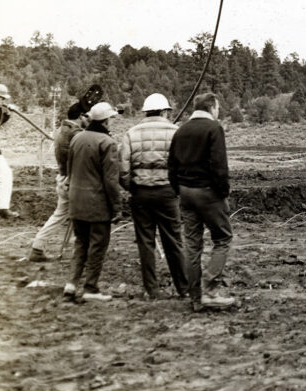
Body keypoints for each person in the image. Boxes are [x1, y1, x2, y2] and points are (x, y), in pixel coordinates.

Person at [168, 91, 235, 311]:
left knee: (192, 246)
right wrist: (223, 193)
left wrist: (179, 190)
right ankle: (209, 289)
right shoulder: (214, 129)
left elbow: (172, 166)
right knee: (223, 239)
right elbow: (219, 166)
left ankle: (195, 297)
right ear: (212, 107)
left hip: (185, 193)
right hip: (208, 193)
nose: (218, 112)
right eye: (218, 108)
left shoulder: (181, 130)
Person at [120, 93, 188, 300]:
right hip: (167, 194)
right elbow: (182, 166)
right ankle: (183, 288)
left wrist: (132, 187)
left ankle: (151, 290)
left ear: (146, 111)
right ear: (165, 111)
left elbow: (123, 169)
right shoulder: (176, 132)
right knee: (174, 241)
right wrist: (176, 190)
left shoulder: (131, 133)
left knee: (145, 242)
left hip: (140, 194)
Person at [64, 101, 122, 303]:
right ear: (106, 121)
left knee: (81, 244)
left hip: (75, 201)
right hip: (97, 205)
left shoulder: (77, 138)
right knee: (97, 246)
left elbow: (69, 170)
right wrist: (117, 207)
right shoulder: (108, 143)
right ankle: (90, 287)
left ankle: (71, 285)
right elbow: (111, 180)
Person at [29, 102, 90, 260]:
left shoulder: (62, 130)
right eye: (87, 116)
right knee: (85, 215)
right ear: (81, 116)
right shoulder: (75, 134)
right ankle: (82, 250)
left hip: (63, 178)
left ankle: (37, 247)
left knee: (60, 214)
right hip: (72, 180)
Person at [0, 82, 17, 220]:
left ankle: (2, 208)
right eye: (1, 98)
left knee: (5, 173)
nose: (4, 101)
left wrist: (9, 113)